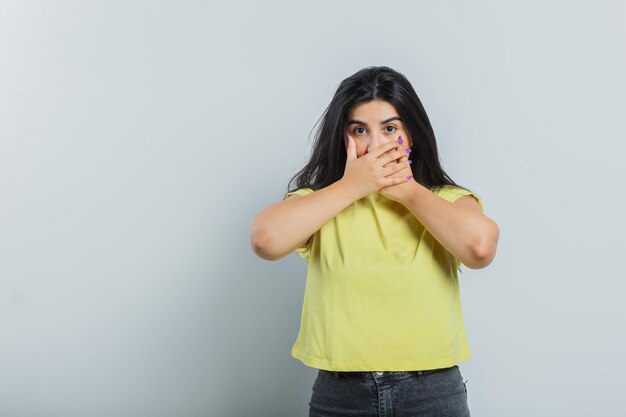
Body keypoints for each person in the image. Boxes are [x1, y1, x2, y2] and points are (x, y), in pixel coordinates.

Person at [250, 66, 499, 417]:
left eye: (391, 128)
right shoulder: (324, 201)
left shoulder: (447, 199)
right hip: (341, 394)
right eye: (359, 130)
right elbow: (265, 240)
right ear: (343, 137)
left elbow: (480, 248)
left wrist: (410, 192)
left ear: (412, 134)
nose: (377, 144)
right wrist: (354, 185)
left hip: (432, 392)